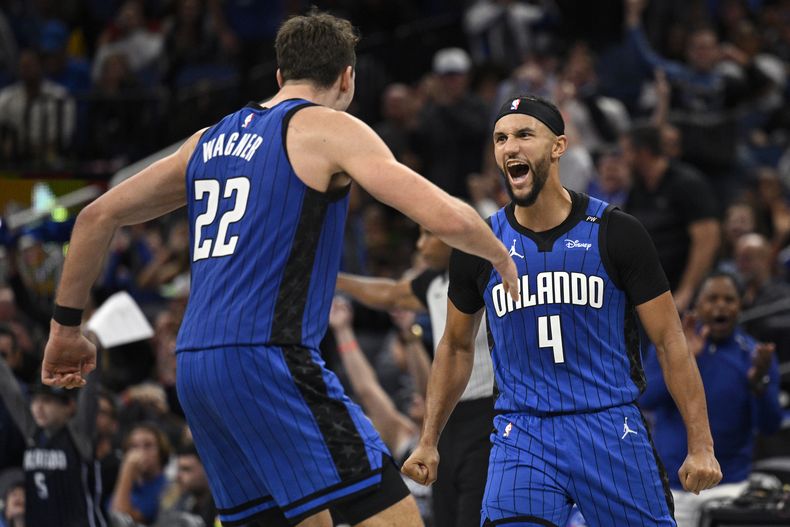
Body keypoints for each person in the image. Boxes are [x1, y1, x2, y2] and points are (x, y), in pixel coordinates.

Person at [40, 10, 519, 527]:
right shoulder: (327, 128)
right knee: (393, 516)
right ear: (347, 78)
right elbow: (439, 212)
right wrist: (499, 254)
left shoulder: (207, 141)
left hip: (195, 370)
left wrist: (65, 329)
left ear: (278, 76)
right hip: (269, 358)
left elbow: (95, 216)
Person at [402, 95, 722, 526]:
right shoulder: (478, 246)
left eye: (523, 135)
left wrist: (701, 444)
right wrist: (429, 439)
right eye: (500, 139)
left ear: (558, 146)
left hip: (609, 427)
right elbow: (456, 347)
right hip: (523, 433)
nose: (509, 147)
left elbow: (669, 341)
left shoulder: (617, 232)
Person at [337, 228, 495, 527]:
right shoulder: (435, 283)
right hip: (445, 422)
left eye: (427, 235)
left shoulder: (489, 270)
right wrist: (333, 279)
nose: (420, 245)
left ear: (452, 237)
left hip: (487, 415)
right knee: (445, 515)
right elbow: (390, 293)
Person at [640, 272, 782, 527]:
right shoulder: (671, 348)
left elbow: (771, 425)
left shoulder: (755, 355)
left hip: (729, 489)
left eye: (729, 299)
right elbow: (647, 400)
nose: (720, 306)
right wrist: (683, 361)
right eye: (712, 298)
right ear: (698, 304)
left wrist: (759, 382)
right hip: (672, 488)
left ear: (741, 305)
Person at [622, 124, 720, 313]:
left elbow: (707, 240)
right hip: (653, 293)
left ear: (643, 152)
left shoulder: (687, 183)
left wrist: (686, 292)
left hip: (685, 294)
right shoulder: (637, 190)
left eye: (626, 151)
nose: (623, 159)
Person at [0, 350, 105, 527]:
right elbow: (10, 391)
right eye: (35, 401)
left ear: (69, 406)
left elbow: (90, 391)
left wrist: (93, 349)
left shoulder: (78, 435)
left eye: (47, 401)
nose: (38, 407)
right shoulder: (33, 433)